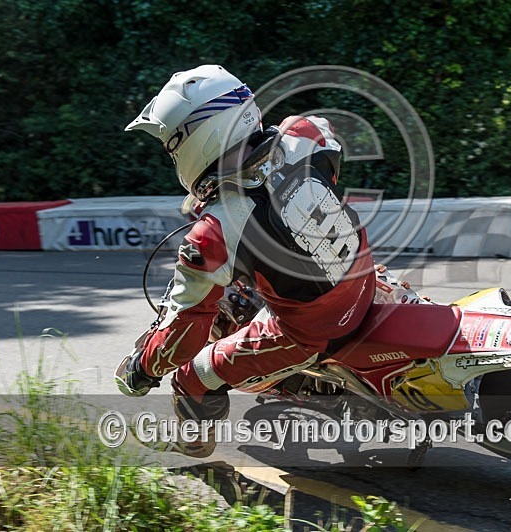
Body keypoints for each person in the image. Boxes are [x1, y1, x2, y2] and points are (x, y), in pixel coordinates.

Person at [115, 65, 376, 457]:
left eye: (173, 147)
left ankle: (195, 443)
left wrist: (143, 369)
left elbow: (183, 333)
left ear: (199, 136)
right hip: (364, 277)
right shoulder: (306, 133)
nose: (174, 157)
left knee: (191, 377)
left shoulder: (214, 231)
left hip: (314, 330)